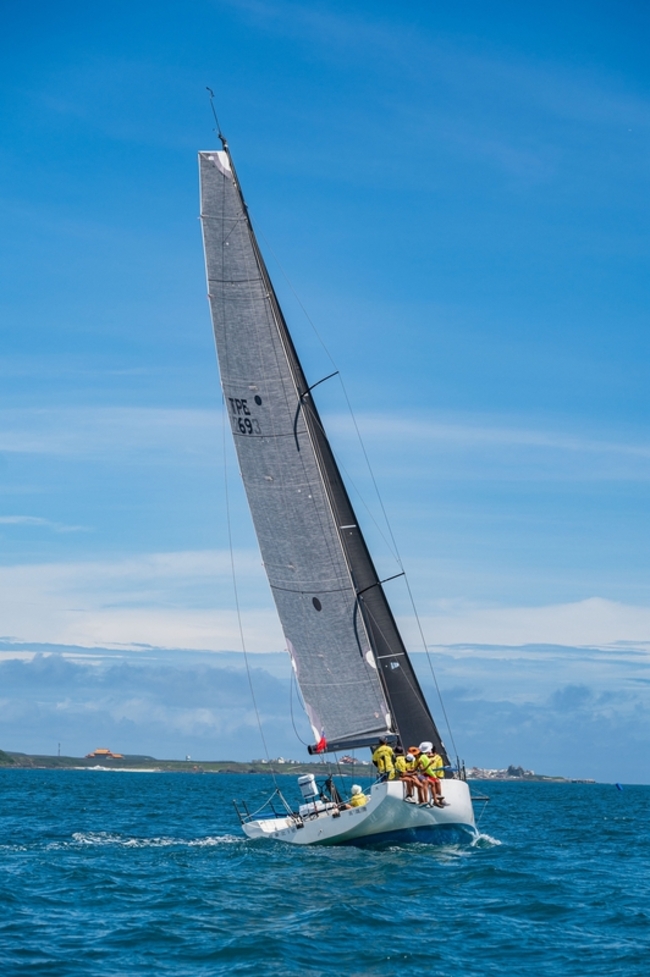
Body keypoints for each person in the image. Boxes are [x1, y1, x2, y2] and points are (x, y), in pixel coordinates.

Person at [417, 741, 447, 808]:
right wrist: (429, 764)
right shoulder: (421, 758)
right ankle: (426, 800)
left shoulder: (424, 756)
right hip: (423, 775)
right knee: (428, 782)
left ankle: (437, 799)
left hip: (428, 774)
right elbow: (422, 770)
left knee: (436, 782)